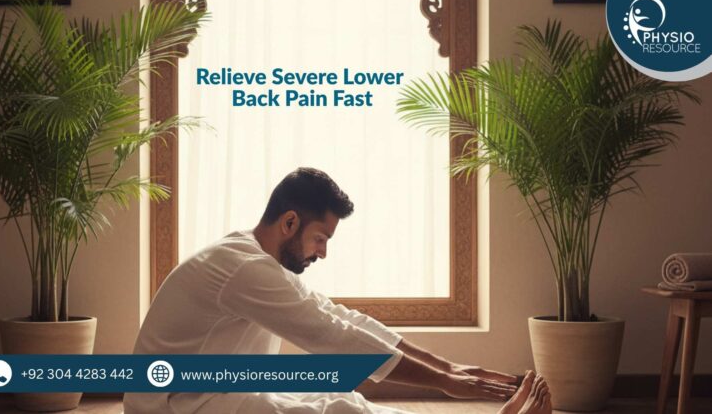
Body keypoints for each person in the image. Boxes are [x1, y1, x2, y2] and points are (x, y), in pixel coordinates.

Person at [124, 167, 552, 413]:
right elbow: (332, 338)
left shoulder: (255, 255)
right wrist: (445, 383)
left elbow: (340, 318)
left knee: (345, 399)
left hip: (214, 393)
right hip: (174, 406)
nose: (322, 253)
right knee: (337, 413)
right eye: (319, 238)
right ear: (289, 222)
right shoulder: (243, 268)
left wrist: (452, 368)